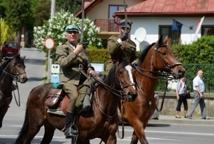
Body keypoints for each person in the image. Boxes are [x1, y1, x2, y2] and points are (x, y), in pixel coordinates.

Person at [55, 24, 96, 138]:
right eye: (70, 32)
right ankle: (68, 127)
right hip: (68, 79)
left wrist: (90, 69)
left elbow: (87, 64)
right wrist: (76, 51)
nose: (72, 34)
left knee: (94, 92)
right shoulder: (62, 48)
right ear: (66, 35)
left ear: (78, 35)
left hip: (84, 80)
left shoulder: (82, 48)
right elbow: (63, 63)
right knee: (74, 96)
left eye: (75, 32)